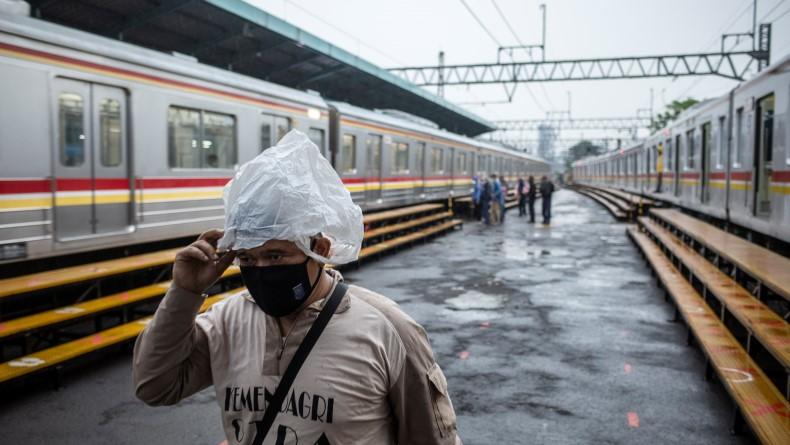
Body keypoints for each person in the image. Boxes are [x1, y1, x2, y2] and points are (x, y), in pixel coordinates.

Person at [133, 130, 462, 445]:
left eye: (275, 256)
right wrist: (185, 292)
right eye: (247, 258)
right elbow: (155, 386)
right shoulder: (227, 322)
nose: (261, 271)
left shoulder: (389, 330)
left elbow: (432, 439)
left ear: (319, 249)